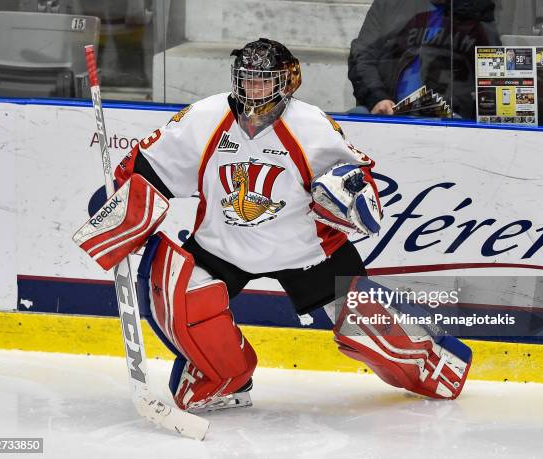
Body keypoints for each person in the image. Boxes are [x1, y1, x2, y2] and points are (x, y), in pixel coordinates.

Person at [74, 38, 471, 413]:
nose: (254, 86)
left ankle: (431, 361)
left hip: (306, 252)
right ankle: (226, 377)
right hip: (222, 244)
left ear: (288, 80)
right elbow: (149, 169)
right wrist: (118, 199)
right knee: (174, 290)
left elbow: (361, 190)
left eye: (264, 79)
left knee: (367, 329)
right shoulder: (205, 118)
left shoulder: (311, 126)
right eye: (247, 78)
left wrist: (349, 196)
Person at [348, 0, 501, 118]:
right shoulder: (391, 4)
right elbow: (362, 56)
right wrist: (377, 98)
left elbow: (495, 75)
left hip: (453, 121)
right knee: (355, 116)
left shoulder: (478, 12)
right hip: (389, 114)